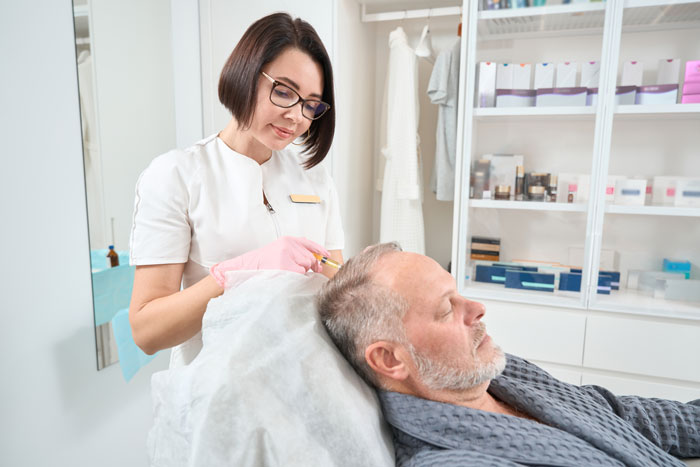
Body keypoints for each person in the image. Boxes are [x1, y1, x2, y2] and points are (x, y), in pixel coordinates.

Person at [317, 243, 700, 467]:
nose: (477, 308)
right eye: (446, 309)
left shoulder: (505, 377)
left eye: (458, 292)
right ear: (389, 360)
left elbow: (620, 415)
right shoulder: (451, 460)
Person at [129, 13, 344, 366]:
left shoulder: (316, 179)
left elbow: (337, 286)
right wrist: (236, 273)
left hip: (306, 388)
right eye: (284, 91)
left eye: (310, 104)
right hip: (216, 396)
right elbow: (147, 332)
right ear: (245, 74)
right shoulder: (176, 176)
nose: (296, 117)